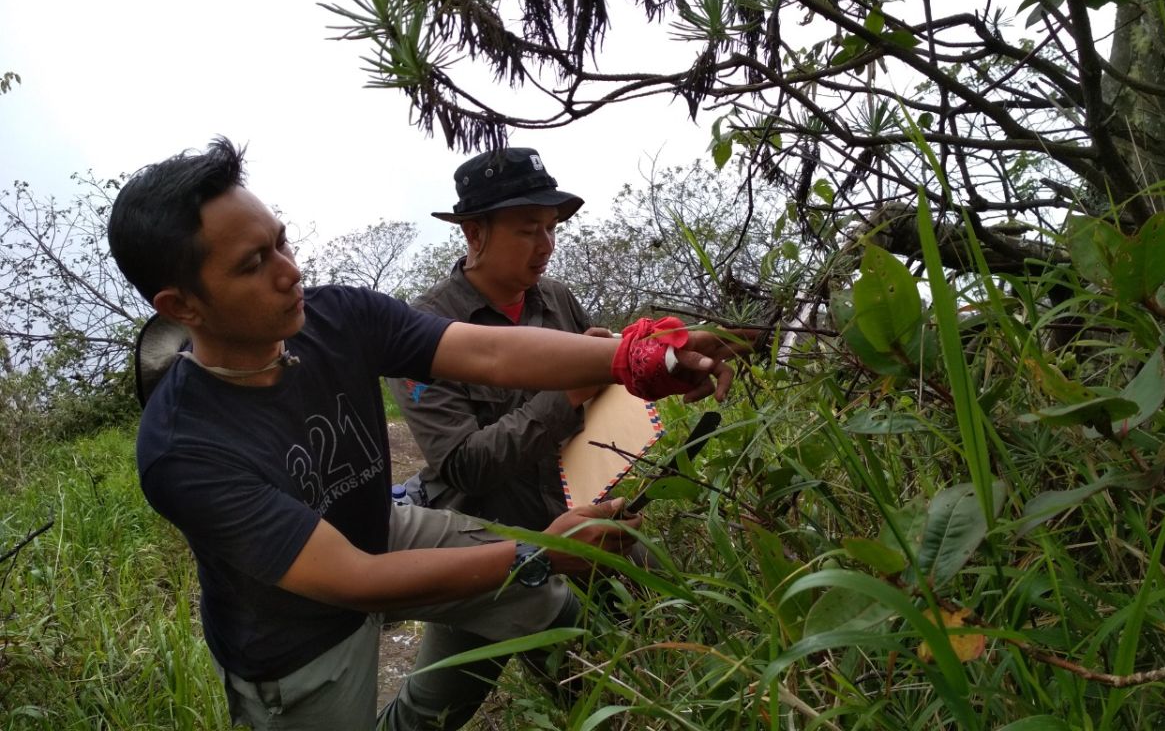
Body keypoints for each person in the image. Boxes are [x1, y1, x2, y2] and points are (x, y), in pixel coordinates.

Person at [107, 137, 740, 731]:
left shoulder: (337, 317)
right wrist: (538, 552)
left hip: (378, 525)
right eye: (254, 265)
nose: (289, 272)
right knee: (519, 575)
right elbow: (351, 579)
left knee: (541, 604)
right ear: (181, 306)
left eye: (282, 243)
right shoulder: (183, 450)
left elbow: (489, 355)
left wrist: (648, 358)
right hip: (296, 635)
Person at [389, 147, 607, 530]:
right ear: (474, 233)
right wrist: (571, 390)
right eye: (527, 230)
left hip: (578, 509)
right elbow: (464, 466)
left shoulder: (558, 299)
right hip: (488, 539)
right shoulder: (421, 330)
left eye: (551, 227)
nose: (546, 245)